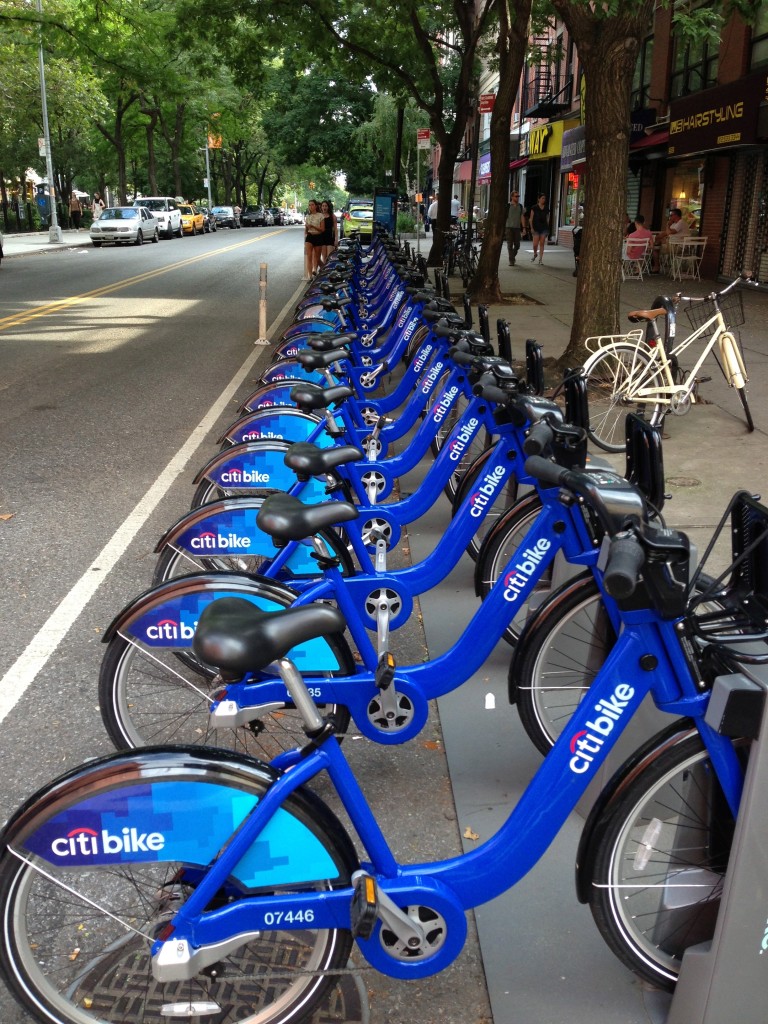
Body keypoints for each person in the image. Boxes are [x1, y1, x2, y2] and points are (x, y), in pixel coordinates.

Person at [304, 198, 325, 276]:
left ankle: (316, 270)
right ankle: (310, 276)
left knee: (317, 257)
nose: (311, 206)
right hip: (310, 236)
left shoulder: (320, 216)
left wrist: (313, 226)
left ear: (316, 206)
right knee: (309, 257)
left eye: (312, 205)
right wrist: (306, 230)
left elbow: (322, 229)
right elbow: (306, 229)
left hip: (318, 236)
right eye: (309, 205)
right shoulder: (308, 216)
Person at [528, 194, 549, 265]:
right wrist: (531, 228)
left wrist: (547, 228)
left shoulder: (546, 208)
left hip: (543, 227)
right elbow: (531, 219)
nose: (544, 200)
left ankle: (540, 259)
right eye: (542, 198)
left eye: (544, 198)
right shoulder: (534, 207)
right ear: (539, 199)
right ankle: (535, 253)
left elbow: (547, 218)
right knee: (535, 244)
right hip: (536, 227)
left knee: (542, 243)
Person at [505, 189, 524, 266]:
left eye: (518, 196)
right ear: (512, 197)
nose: (517, 197)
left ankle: (512, 257)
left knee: (517, 245)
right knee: (510, 244)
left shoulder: (520, 206)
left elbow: (522, 216)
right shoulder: (508, 206)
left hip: (517, 228)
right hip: (509, 227)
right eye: (516, 196)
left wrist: (524, 228)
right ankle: (511, 260)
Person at [320, 199, 337, 264]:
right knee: (324, 257)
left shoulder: (333, 216)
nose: (324, 207)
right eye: (323, 206)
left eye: (326, 206)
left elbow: (335, 229)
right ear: (321, 207)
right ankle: (324, 271)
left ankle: (328, 270)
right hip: (322, 238)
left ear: (328, 207)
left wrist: (336, 239)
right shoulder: (319, 216)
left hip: (330, 237)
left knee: (329, 256)